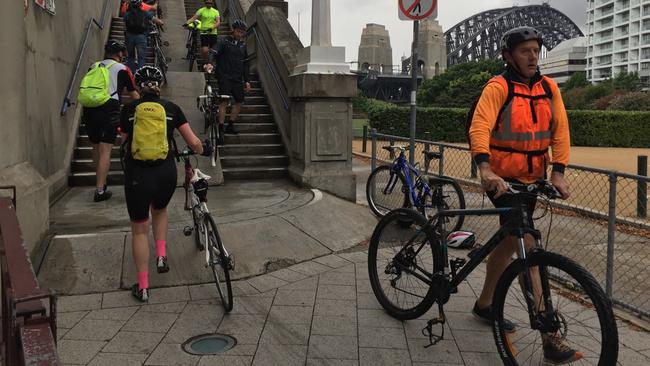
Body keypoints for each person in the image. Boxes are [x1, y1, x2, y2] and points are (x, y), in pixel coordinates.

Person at [468, 26, 578, 363]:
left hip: (531, 180)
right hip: (501, 181)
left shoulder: (549, 89)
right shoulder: (498, 87)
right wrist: (485, 169)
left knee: (508, 243)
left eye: (535, 50)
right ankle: (549, 334)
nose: (532, 56)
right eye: (524, 51)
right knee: (528, 247)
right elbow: (480, 126)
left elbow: (560, 129)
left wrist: (557, 171)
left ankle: (485, 304)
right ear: (508, 56)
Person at [119, 66, 212, 302]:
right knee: (160, 211)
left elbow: (123, 141)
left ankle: (144, 287)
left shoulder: (128, 109)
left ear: (139, 87)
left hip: (137, 175)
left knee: (140, 228)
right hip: (166, 172)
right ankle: (161, 256)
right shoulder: (172, 108)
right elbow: (193, 142)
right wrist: (202, 148)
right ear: (160, 85)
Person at [81, 40, 139, 202]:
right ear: (120, 54)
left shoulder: (94, 66)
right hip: (109, 108)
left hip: (89, 107)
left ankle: (101, 182)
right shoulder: (122, 69)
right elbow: (133, 94)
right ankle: (100, 190)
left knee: (95, 146)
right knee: (106, 150)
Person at [204, 19, 251, 140]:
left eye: (242, 32)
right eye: (238, 31)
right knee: (224, 101)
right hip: (224, 76)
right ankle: (220, 127)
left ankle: (230, 124)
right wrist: (210, 63)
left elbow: (246, 64)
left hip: (237, 78)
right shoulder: (223, 41)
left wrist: (247, 81)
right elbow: (213, 52)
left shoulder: (242, 45)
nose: (240, 34)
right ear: (233, 30)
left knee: (239, 101)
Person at [123, 0, 164, 72]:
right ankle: (140, 75)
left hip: (129, 36)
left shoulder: (127, 14)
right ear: (140, 5)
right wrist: (161, 23)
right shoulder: (145, 13)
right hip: (141, 37)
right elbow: (158, 21)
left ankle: (131, 75)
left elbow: (124, 28)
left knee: (130, 57)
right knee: (141, 58)